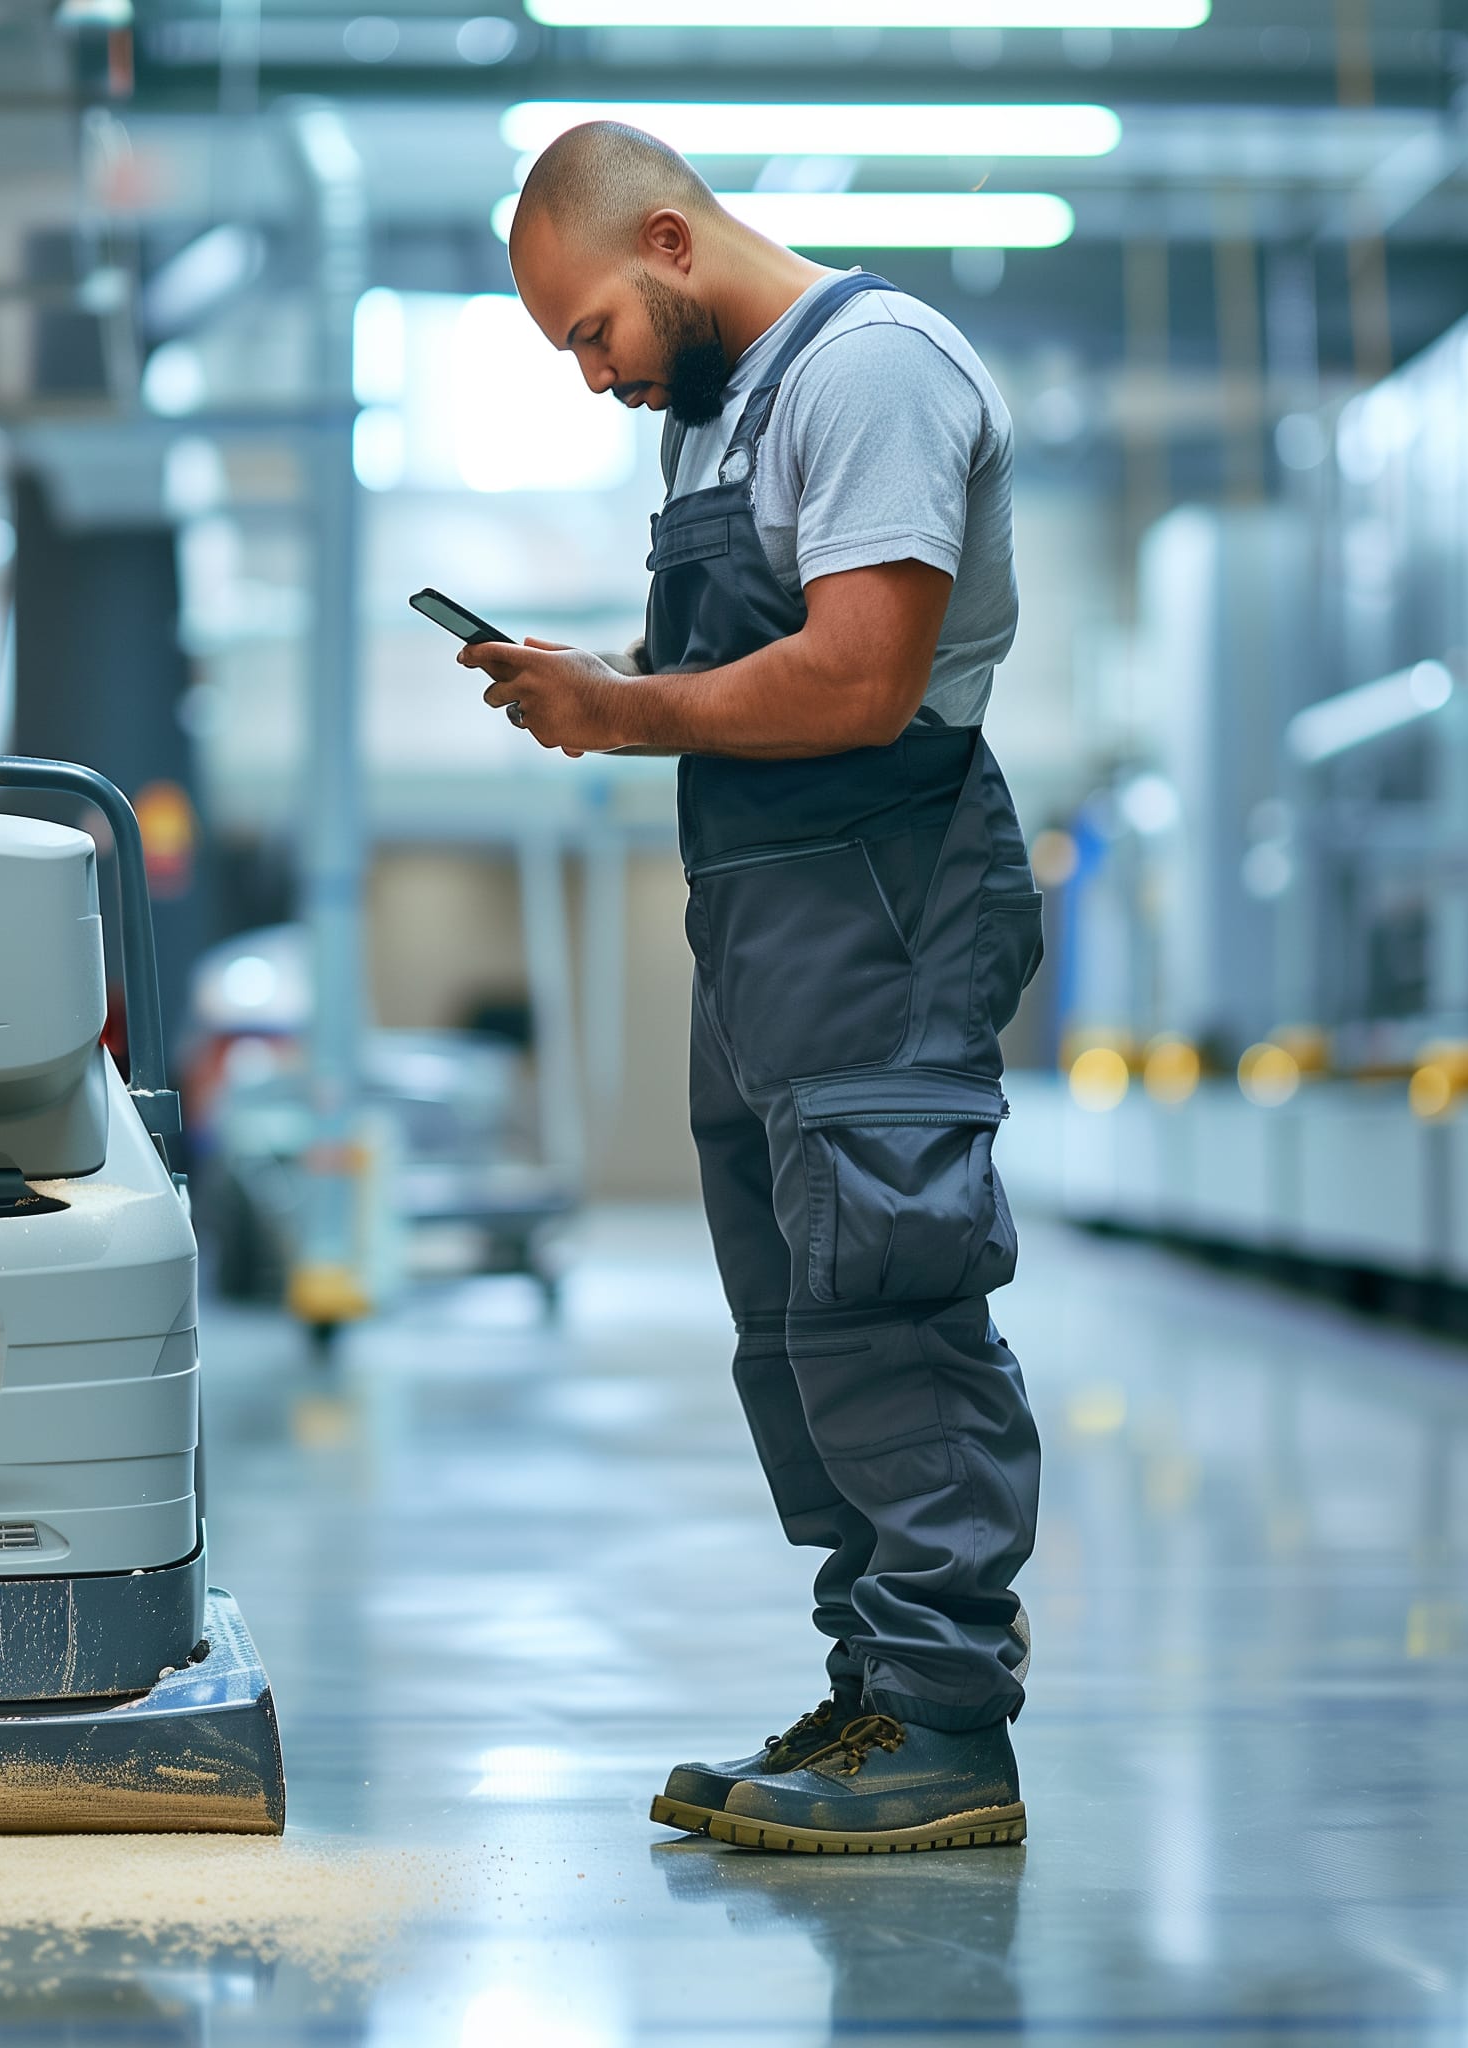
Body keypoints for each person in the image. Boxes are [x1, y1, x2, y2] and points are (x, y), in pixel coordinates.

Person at [461, 122, 1043, 1854]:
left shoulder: (869, 372)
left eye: (592, 333)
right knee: (797, 1322)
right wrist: (607, 678)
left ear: (668, 241)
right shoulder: (716, 407)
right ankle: (879, 1691)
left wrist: (626, 713)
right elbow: (757, 656)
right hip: (768, 909)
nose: (592, 377)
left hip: (886, 882)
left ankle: (950, 1727)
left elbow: (863, 680)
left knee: (887, 1283)